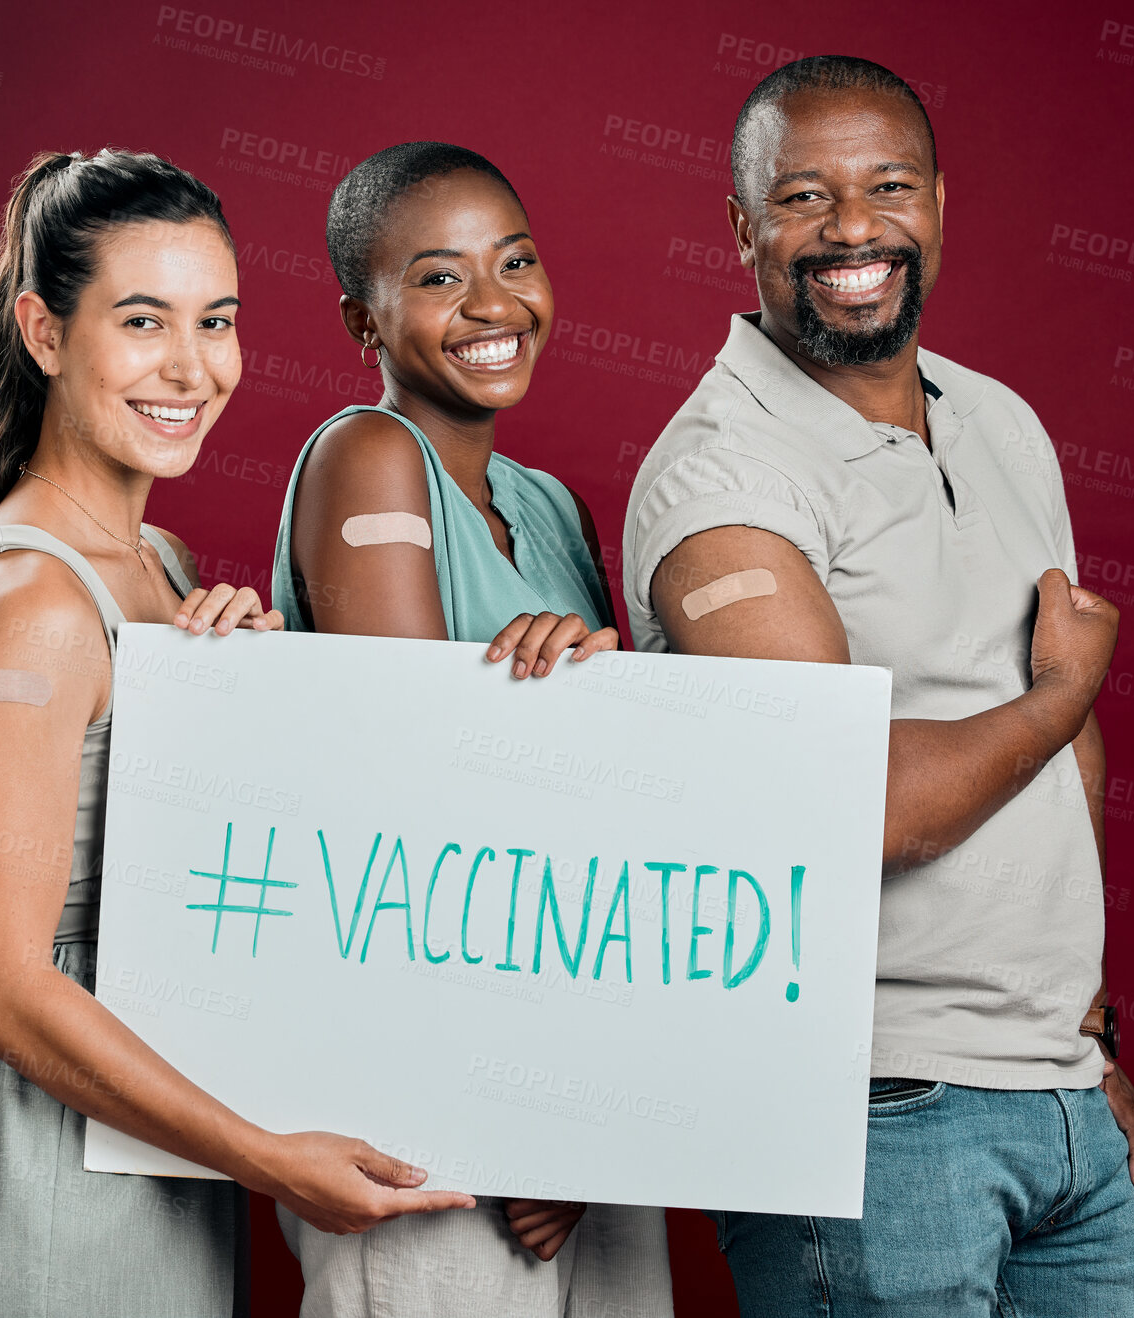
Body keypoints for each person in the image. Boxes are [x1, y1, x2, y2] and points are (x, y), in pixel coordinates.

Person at [623, 58, 1134, 1317]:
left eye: (888, 188)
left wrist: (1083, 1033)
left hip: (1055, 1095)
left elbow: (1063, 754)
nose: (853, 228)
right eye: (805, 197)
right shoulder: (720, 479)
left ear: (937, 204)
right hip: (866, 1109)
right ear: (742, 226)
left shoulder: (1001, 423)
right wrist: (1055, 696)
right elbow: (847, 802)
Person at [0, 148, 473, 1318]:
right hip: (41, 1183)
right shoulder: (37, 605)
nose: (192, 367)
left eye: (217, 321)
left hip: (156, 1160)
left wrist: (231, 700)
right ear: (43, 332)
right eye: (143, 321)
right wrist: (262, 1154)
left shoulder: (154, 565)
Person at [269, 141, 674, 1318]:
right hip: (429, 1082)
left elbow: (621, 793)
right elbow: (414, 795)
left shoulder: (549, 505)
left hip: (573, 1066)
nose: (495, 305)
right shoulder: (368, 455)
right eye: (440, 278)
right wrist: (519, 1111)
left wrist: (613, 683)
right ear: (363, 315)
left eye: (516, 262)